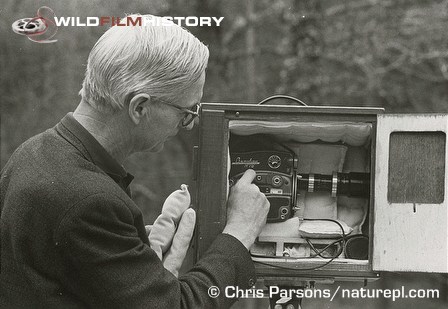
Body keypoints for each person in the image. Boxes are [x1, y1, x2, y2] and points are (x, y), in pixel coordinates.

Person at [0, 14, 269, 308]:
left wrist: (131, 247)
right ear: (140, 106)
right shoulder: (89, 200)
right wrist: (239, 234)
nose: (189, 124)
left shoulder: (34, 151)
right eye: (186, 112)